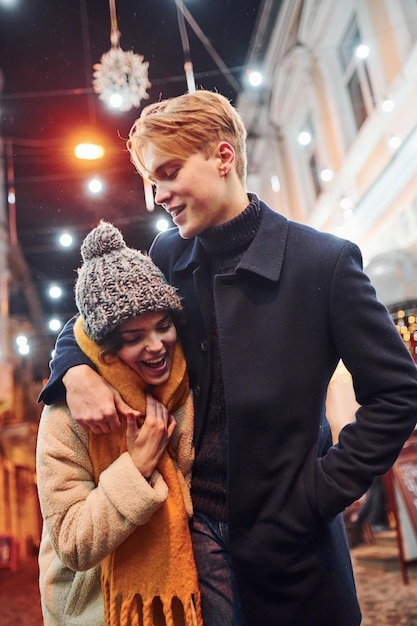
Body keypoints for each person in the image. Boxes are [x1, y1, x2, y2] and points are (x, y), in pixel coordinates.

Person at [39, 90, 417, 626]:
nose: (158, 196)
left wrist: (318, 493)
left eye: (168, 173)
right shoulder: (168, 255)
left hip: (294, 551)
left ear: (222, 156)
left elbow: (398, 393)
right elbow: (95, 320)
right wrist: (72, 370)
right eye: (151, 182)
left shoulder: (323, 263)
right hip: (193, 542)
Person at [37, 221, 203, 626]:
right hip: (99, 611)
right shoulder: (65, 416)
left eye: (163, 326)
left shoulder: (184, 387)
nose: (155, 345)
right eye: (133, 336)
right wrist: (136, 468)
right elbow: (73, 543)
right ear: (105, 345)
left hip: (185, 602)